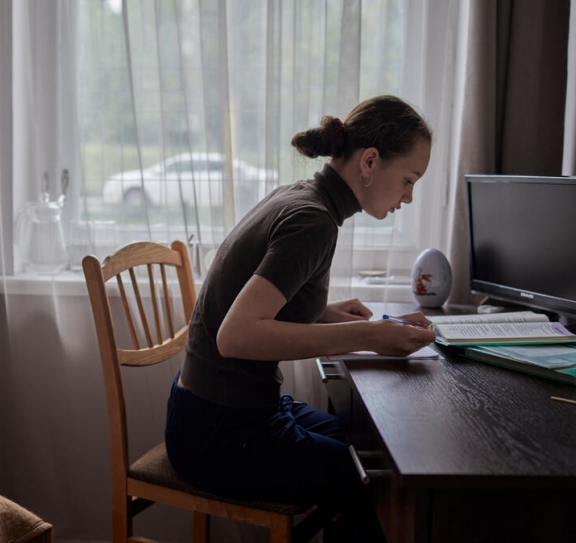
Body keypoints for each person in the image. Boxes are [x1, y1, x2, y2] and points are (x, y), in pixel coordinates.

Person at [164, 95, 437, 540]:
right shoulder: (313, 221)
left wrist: (328, 314)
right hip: (220, 433)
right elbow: (235, 336)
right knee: (371, 480)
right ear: (369, 161)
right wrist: (367, 334)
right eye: (409, 180)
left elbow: (258, 302)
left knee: (367, 445)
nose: (408, 196)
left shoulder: (301, 195)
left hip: (208, 412)